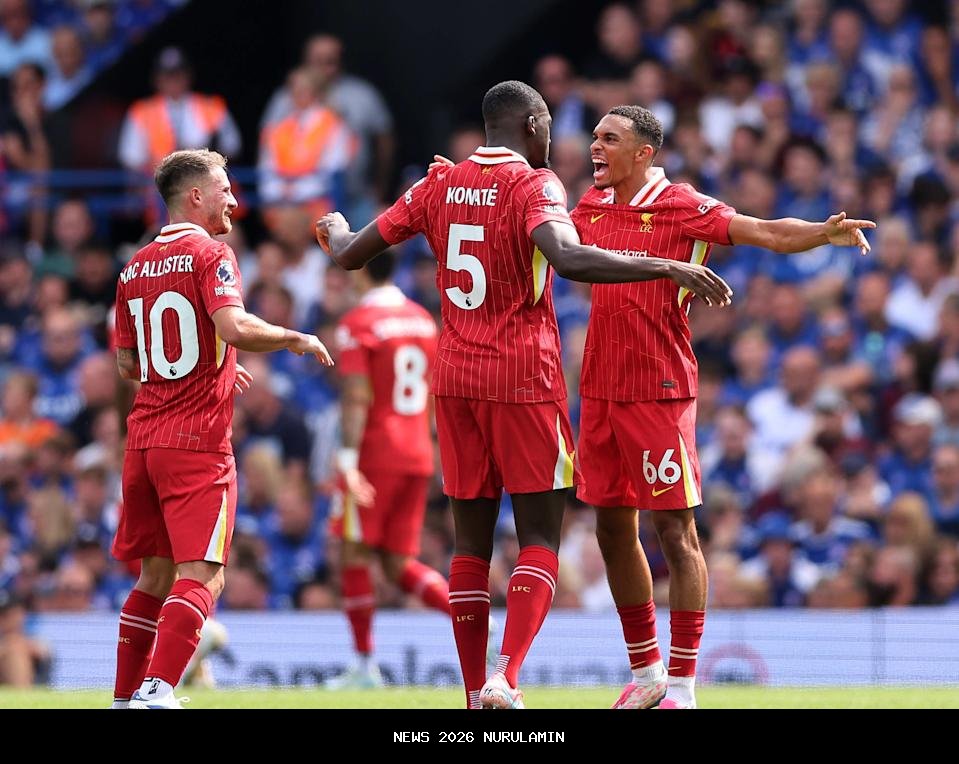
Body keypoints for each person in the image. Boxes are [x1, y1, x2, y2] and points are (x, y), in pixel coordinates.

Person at [316, 80, 732, 709]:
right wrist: (664, 265)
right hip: (522, 379)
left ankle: (470, 695)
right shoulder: (535, 186)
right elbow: (567, 258)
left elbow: (349, 254)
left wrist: (336, 225)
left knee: (468, 546)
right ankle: (505, 677)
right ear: (534, 125)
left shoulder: (437, 184)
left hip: (453, 383)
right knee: (539, 536)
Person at [569, 104, 875, 710]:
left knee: (676, 532)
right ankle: (647, 671)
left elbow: (763, 230)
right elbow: (535, 228)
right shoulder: (590, 207)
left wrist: (820, 231)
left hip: (658, 390)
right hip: (600, 391)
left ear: (643, 154)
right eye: (596, 137)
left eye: (611, 139)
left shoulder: (681, 205)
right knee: (610, 527)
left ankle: (683, 685)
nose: (597, 148)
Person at [111, 149, 332, 709]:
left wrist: (203, 369)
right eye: (225, 189)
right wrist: (292, 337)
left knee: (153, 576)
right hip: (195, 442)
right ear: (195, 197)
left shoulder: (134, 266)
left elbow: (129, 365)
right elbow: (232, 326)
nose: (234, 199)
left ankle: (124, 698)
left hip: (144, 441)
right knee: (203, 576)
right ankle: (158, 693)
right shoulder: (211, 253)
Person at [324, 248, 449, 689]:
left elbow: (357, 398)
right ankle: (473, 620)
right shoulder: (422, 320)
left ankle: (363, 664)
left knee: (353, 552)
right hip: (417, 450)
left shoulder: (358, 325)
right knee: (398, 562)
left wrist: (347, 462)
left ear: (359, 273)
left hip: (376, 453)